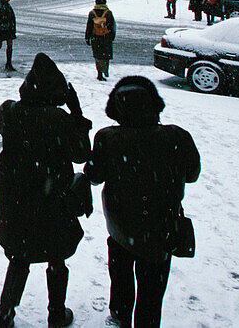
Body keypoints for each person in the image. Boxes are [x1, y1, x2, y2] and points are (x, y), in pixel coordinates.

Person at [85, 76, 200, 328]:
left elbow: (93, 176)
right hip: (161, 227)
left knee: (121, 275)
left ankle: (120, 316)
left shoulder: (107, 138)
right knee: (152, 289)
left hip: (120, 227)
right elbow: (192, 175)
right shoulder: (177, 137)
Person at [0, 54, 92, 328]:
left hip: (17, 207)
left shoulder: (9, 112)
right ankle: (56, 314)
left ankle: (6, 313)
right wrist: (77, 113)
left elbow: (7, 125)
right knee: (56, 260)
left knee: (19, 260)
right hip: (52, 207)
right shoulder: (60, 120)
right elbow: (82, 154)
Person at [85, 0, 116, 81]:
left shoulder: (92, 13)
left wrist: (87, 38)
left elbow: (89, 27)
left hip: (96, 38)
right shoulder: (108, 13)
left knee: (98, 56)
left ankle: (100, 73)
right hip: (106, 38)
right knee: (106, 55)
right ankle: (105, 70)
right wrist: (111, 36)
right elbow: (112, 26)